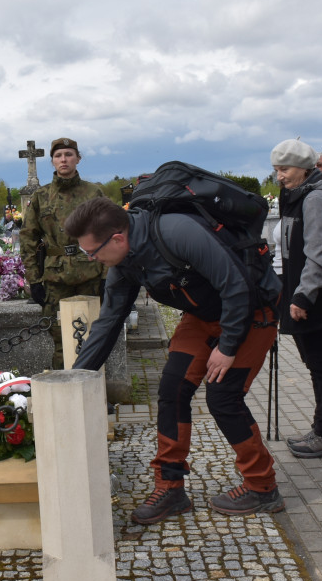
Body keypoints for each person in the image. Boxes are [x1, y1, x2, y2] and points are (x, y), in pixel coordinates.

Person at [66, 197, 283, 522]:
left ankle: (263, 488)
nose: (92, 260)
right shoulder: (123, 263)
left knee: (223, 397)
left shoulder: (178, 232)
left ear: (117, 238)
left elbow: (236, 287)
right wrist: (73, 380)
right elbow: (108, 323)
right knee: (172, 389)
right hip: (204, 315)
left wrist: (227, 346)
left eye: (92, 253)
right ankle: (171, 488)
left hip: (252, 311)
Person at [271, 139, 322, 459]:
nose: (279, 176)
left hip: (313, 295)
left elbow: (319, 254)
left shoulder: (316, 198)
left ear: (304, 167)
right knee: (318, 364)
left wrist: (303, 296)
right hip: (298, 290)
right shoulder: (297, 194)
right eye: (275, 169)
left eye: (284, 169)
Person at [19, 138, 107, 369]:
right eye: (58, 156)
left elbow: (109, 234)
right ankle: (63, 390)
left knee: (92, 335)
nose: (64, 159)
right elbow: (28, 238)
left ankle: (93, 391)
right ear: (52, 162)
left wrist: (107, 276)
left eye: (69, 154)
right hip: (55, 277)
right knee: (59, 337)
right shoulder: (41, 196)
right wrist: (34, 279)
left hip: (89, 273)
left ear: (78, 159)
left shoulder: (93, 192)